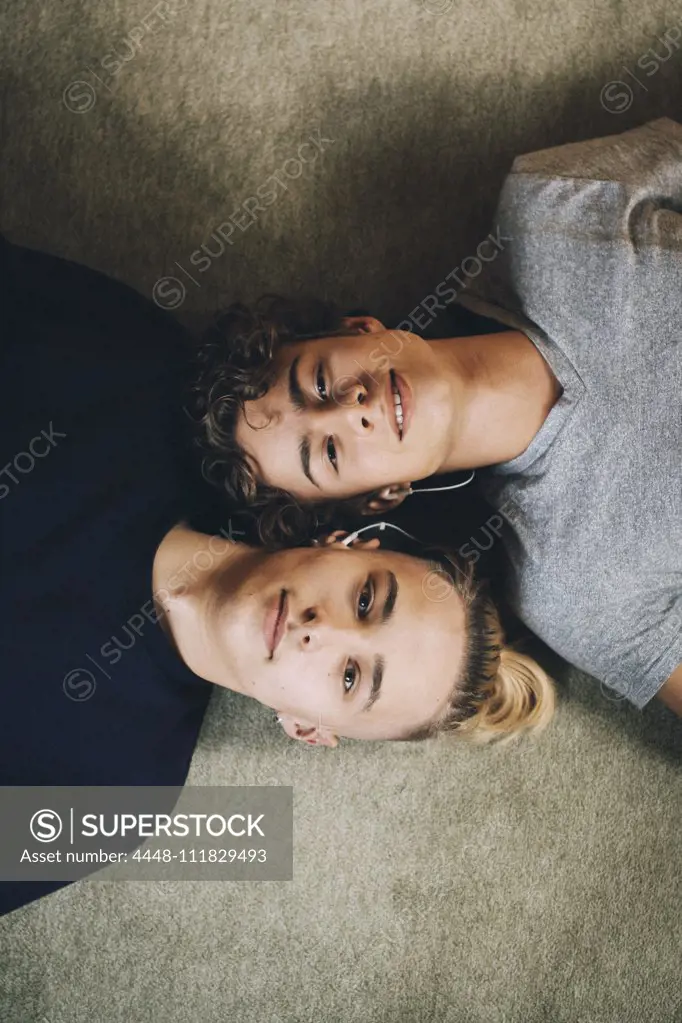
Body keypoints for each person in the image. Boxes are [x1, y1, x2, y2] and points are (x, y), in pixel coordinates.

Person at [0, 236, 553, 916]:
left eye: (352, 678)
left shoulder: (121, 799)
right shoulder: (142, 370)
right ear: (343, 541)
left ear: (308, 728)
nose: (323, 631)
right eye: (366, 597)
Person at [191, 117, 682, 714]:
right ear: (381, 498)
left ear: (358, 329)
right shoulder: (574, 595)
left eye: (319, 380)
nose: (352, 409)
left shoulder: (552, 203)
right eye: (329, 453)